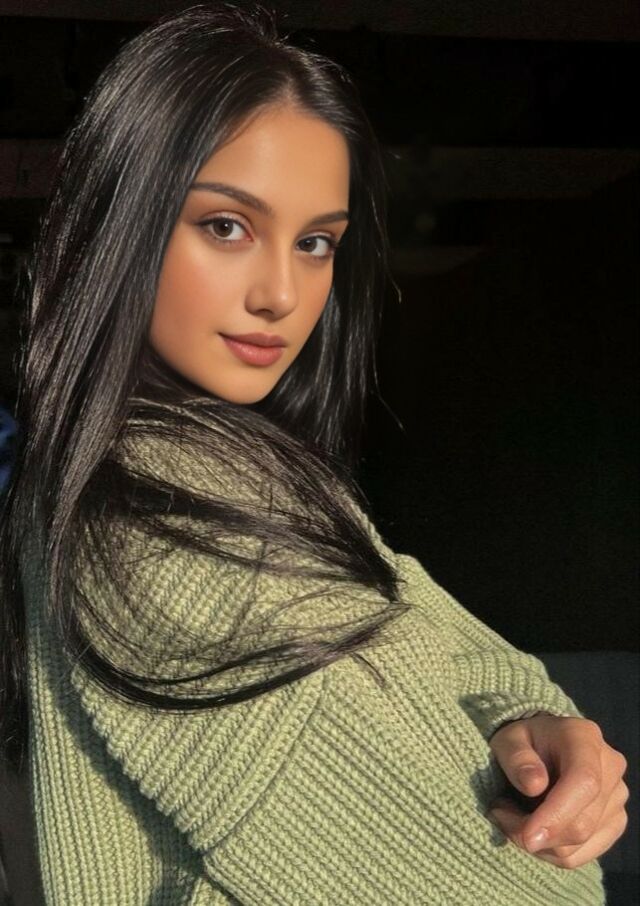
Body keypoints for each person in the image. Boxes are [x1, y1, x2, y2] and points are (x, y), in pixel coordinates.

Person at [0, 4, 628, 904]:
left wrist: (527, 719)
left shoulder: (240, 479)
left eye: (315, 242)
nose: (283, 294)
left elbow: (435, 628)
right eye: (226, 225)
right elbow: (520, 891)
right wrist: (557, 824)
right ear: (119, 223)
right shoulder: (157, 524)